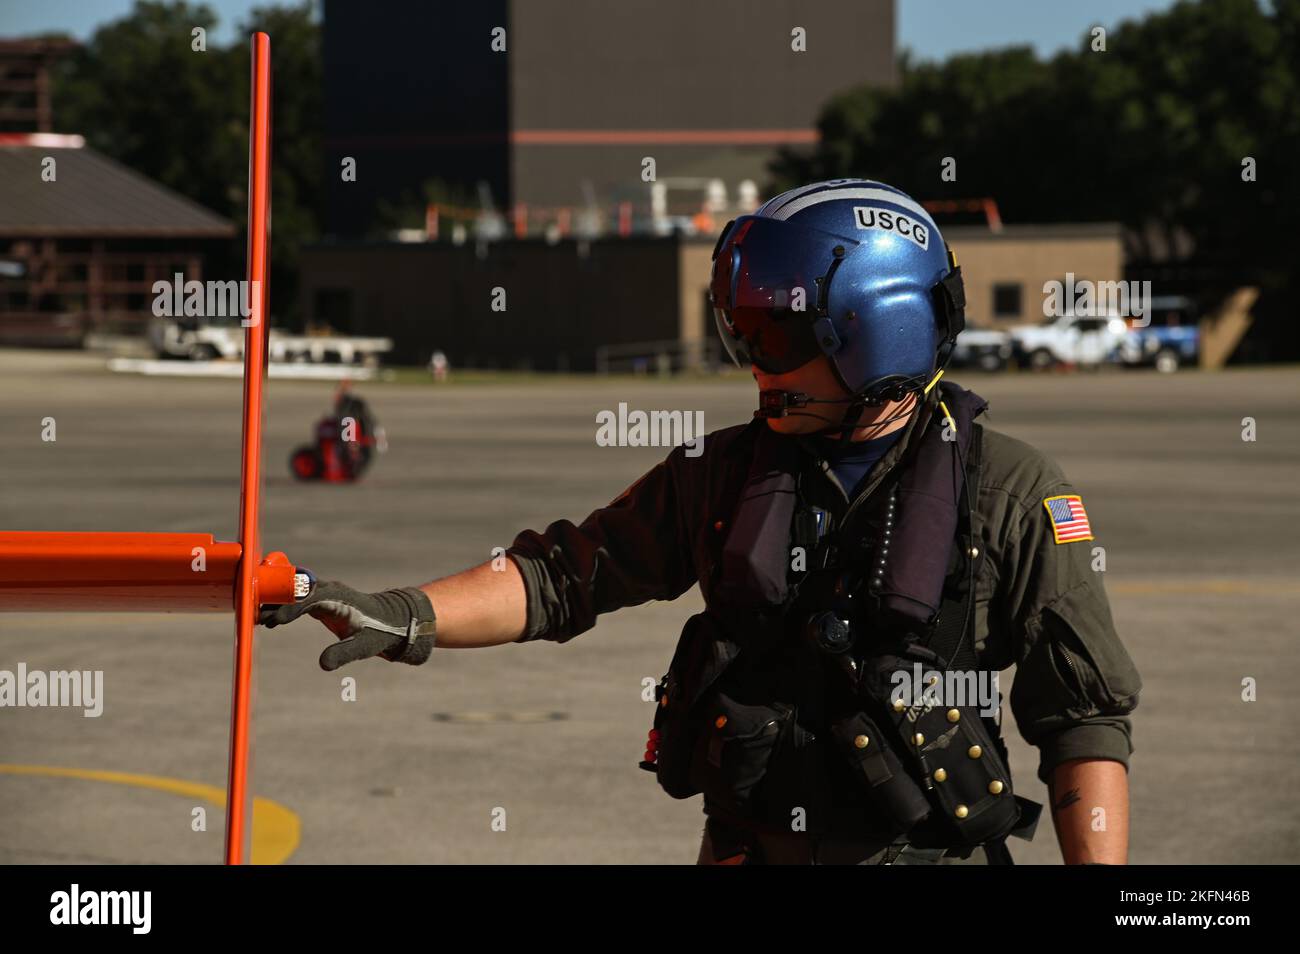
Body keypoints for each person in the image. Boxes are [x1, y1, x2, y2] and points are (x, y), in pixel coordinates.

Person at [261, 179, 1141, 865]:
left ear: (878, 334)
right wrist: (406, 615)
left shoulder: (1012, 491)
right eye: (743, 332)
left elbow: (1082, 723)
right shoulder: (725, 470)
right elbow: (562, 577)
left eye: (776, 336)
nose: (753, 363)